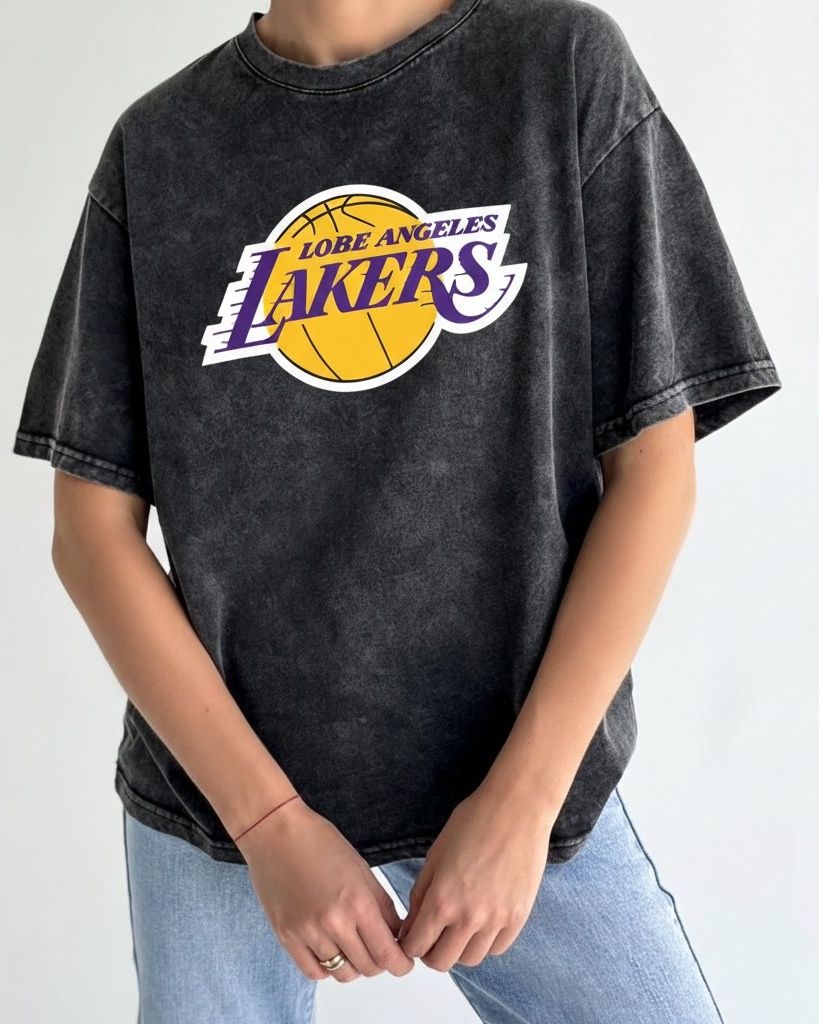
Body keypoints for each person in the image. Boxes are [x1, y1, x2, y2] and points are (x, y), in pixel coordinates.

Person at [12, 1, 782, 1021]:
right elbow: (90, 533)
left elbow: (655, 469)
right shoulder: (159, 146)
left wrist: (522, 805)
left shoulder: (557, 69)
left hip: (510, 770)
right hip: (219, 794)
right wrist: (268, 823)